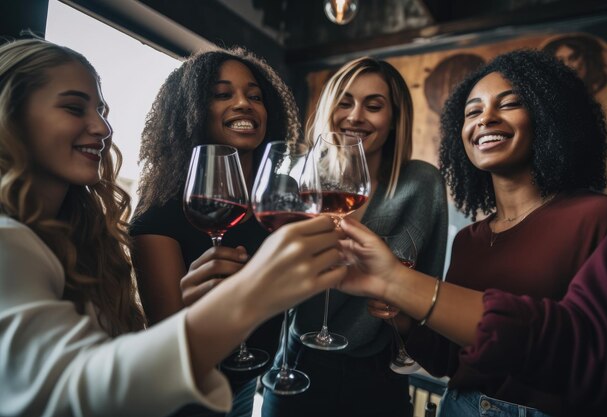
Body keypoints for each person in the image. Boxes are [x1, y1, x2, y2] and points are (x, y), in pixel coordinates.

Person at [0, 37, 346, 417]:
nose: (102, 126)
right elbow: (73, 390)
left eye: (101, 110)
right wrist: (245, 297)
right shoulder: (10, 239)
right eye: (72, 107)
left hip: (247, 384)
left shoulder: (78, 233)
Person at [340, 49, 607, 417]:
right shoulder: (469, 239)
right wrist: (404, 315)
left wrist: (399, 282)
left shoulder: (605, 220)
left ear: (550, 116)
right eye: (472, 111)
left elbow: (588, 353)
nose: (486, 119)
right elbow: (450, 360)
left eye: (509, 105)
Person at [262, 57, 448, 417]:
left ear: (395, 120)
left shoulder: (422, 185)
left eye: (374, 106)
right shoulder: (296, 180)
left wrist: (400, 305)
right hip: (297, 364)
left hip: (377, 376)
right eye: (345, 102)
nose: (356, 116)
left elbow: (427, 292)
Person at [129, 47, 300, 417]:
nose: (244, 104)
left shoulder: (280, 196)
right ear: (190, 113)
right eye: (223, 94)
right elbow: (166, 340)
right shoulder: (161, 207)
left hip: (248, 385)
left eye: (255, 96)